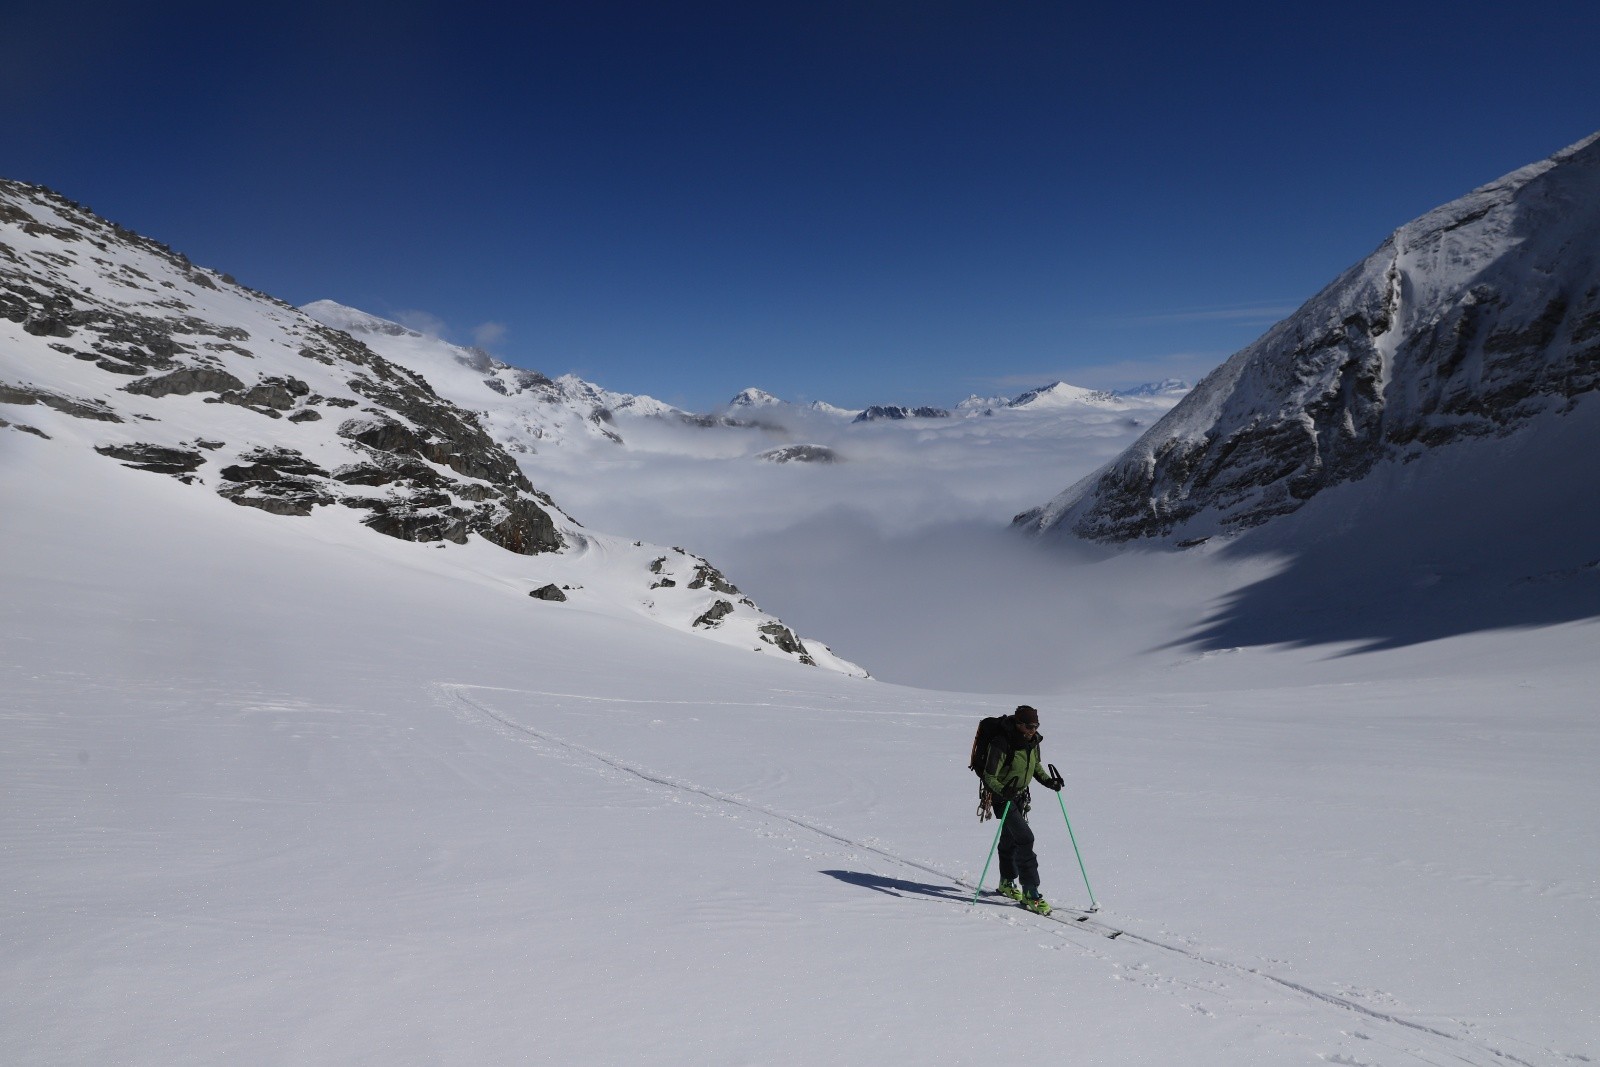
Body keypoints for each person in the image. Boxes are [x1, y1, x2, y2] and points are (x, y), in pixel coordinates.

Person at [977, 704, 1064, 915]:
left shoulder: (1032, 742)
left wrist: (1049, 782)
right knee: (1025, 838)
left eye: (1036, 725)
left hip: (1019, 797)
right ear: (1018, 724)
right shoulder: (1001, 742)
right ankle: (1031, 893)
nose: (1033, 730)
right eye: (1029, 726)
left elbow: (1035, 767)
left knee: (1010, 838)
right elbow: (989, 776)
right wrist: (1002, 791)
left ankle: (1007, 882)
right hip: (1000, 797)